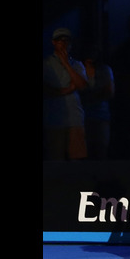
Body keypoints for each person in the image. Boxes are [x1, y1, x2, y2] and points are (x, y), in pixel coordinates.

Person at [43, 28, 89, 161]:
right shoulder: (46, 64)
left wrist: (66, 63)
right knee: (55, 159)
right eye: (59, 40)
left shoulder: (77, 64)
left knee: (77, 160)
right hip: (53, 120)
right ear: (53, 42)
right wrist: (67, 90)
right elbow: (45, 91)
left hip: (75, 119)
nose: (63, 44)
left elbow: (82, 85)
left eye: (66, 40)